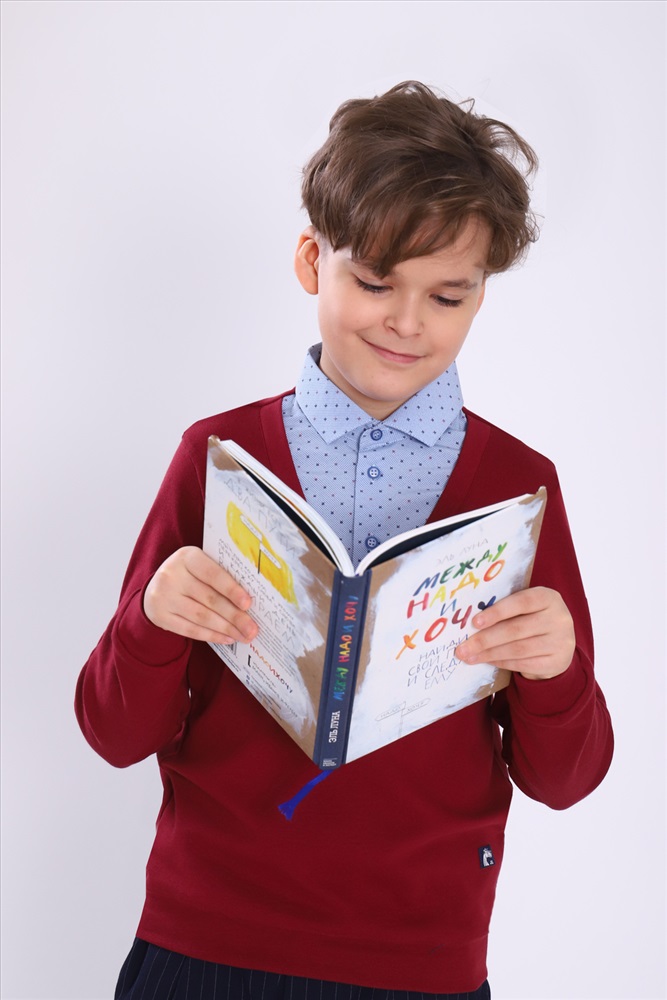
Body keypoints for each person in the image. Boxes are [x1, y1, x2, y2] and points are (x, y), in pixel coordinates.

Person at [75, 81, 614, 1000]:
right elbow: (113, 730)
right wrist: (153, 620)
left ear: (481, 296)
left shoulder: (519, 488)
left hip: (419, 961)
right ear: (310, 260)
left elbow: (565, 779)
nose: (406, 321)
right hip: (206, 943)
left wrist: (556, 671)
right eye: (373, 282)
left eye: (447, 295)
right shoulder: (218, 458)